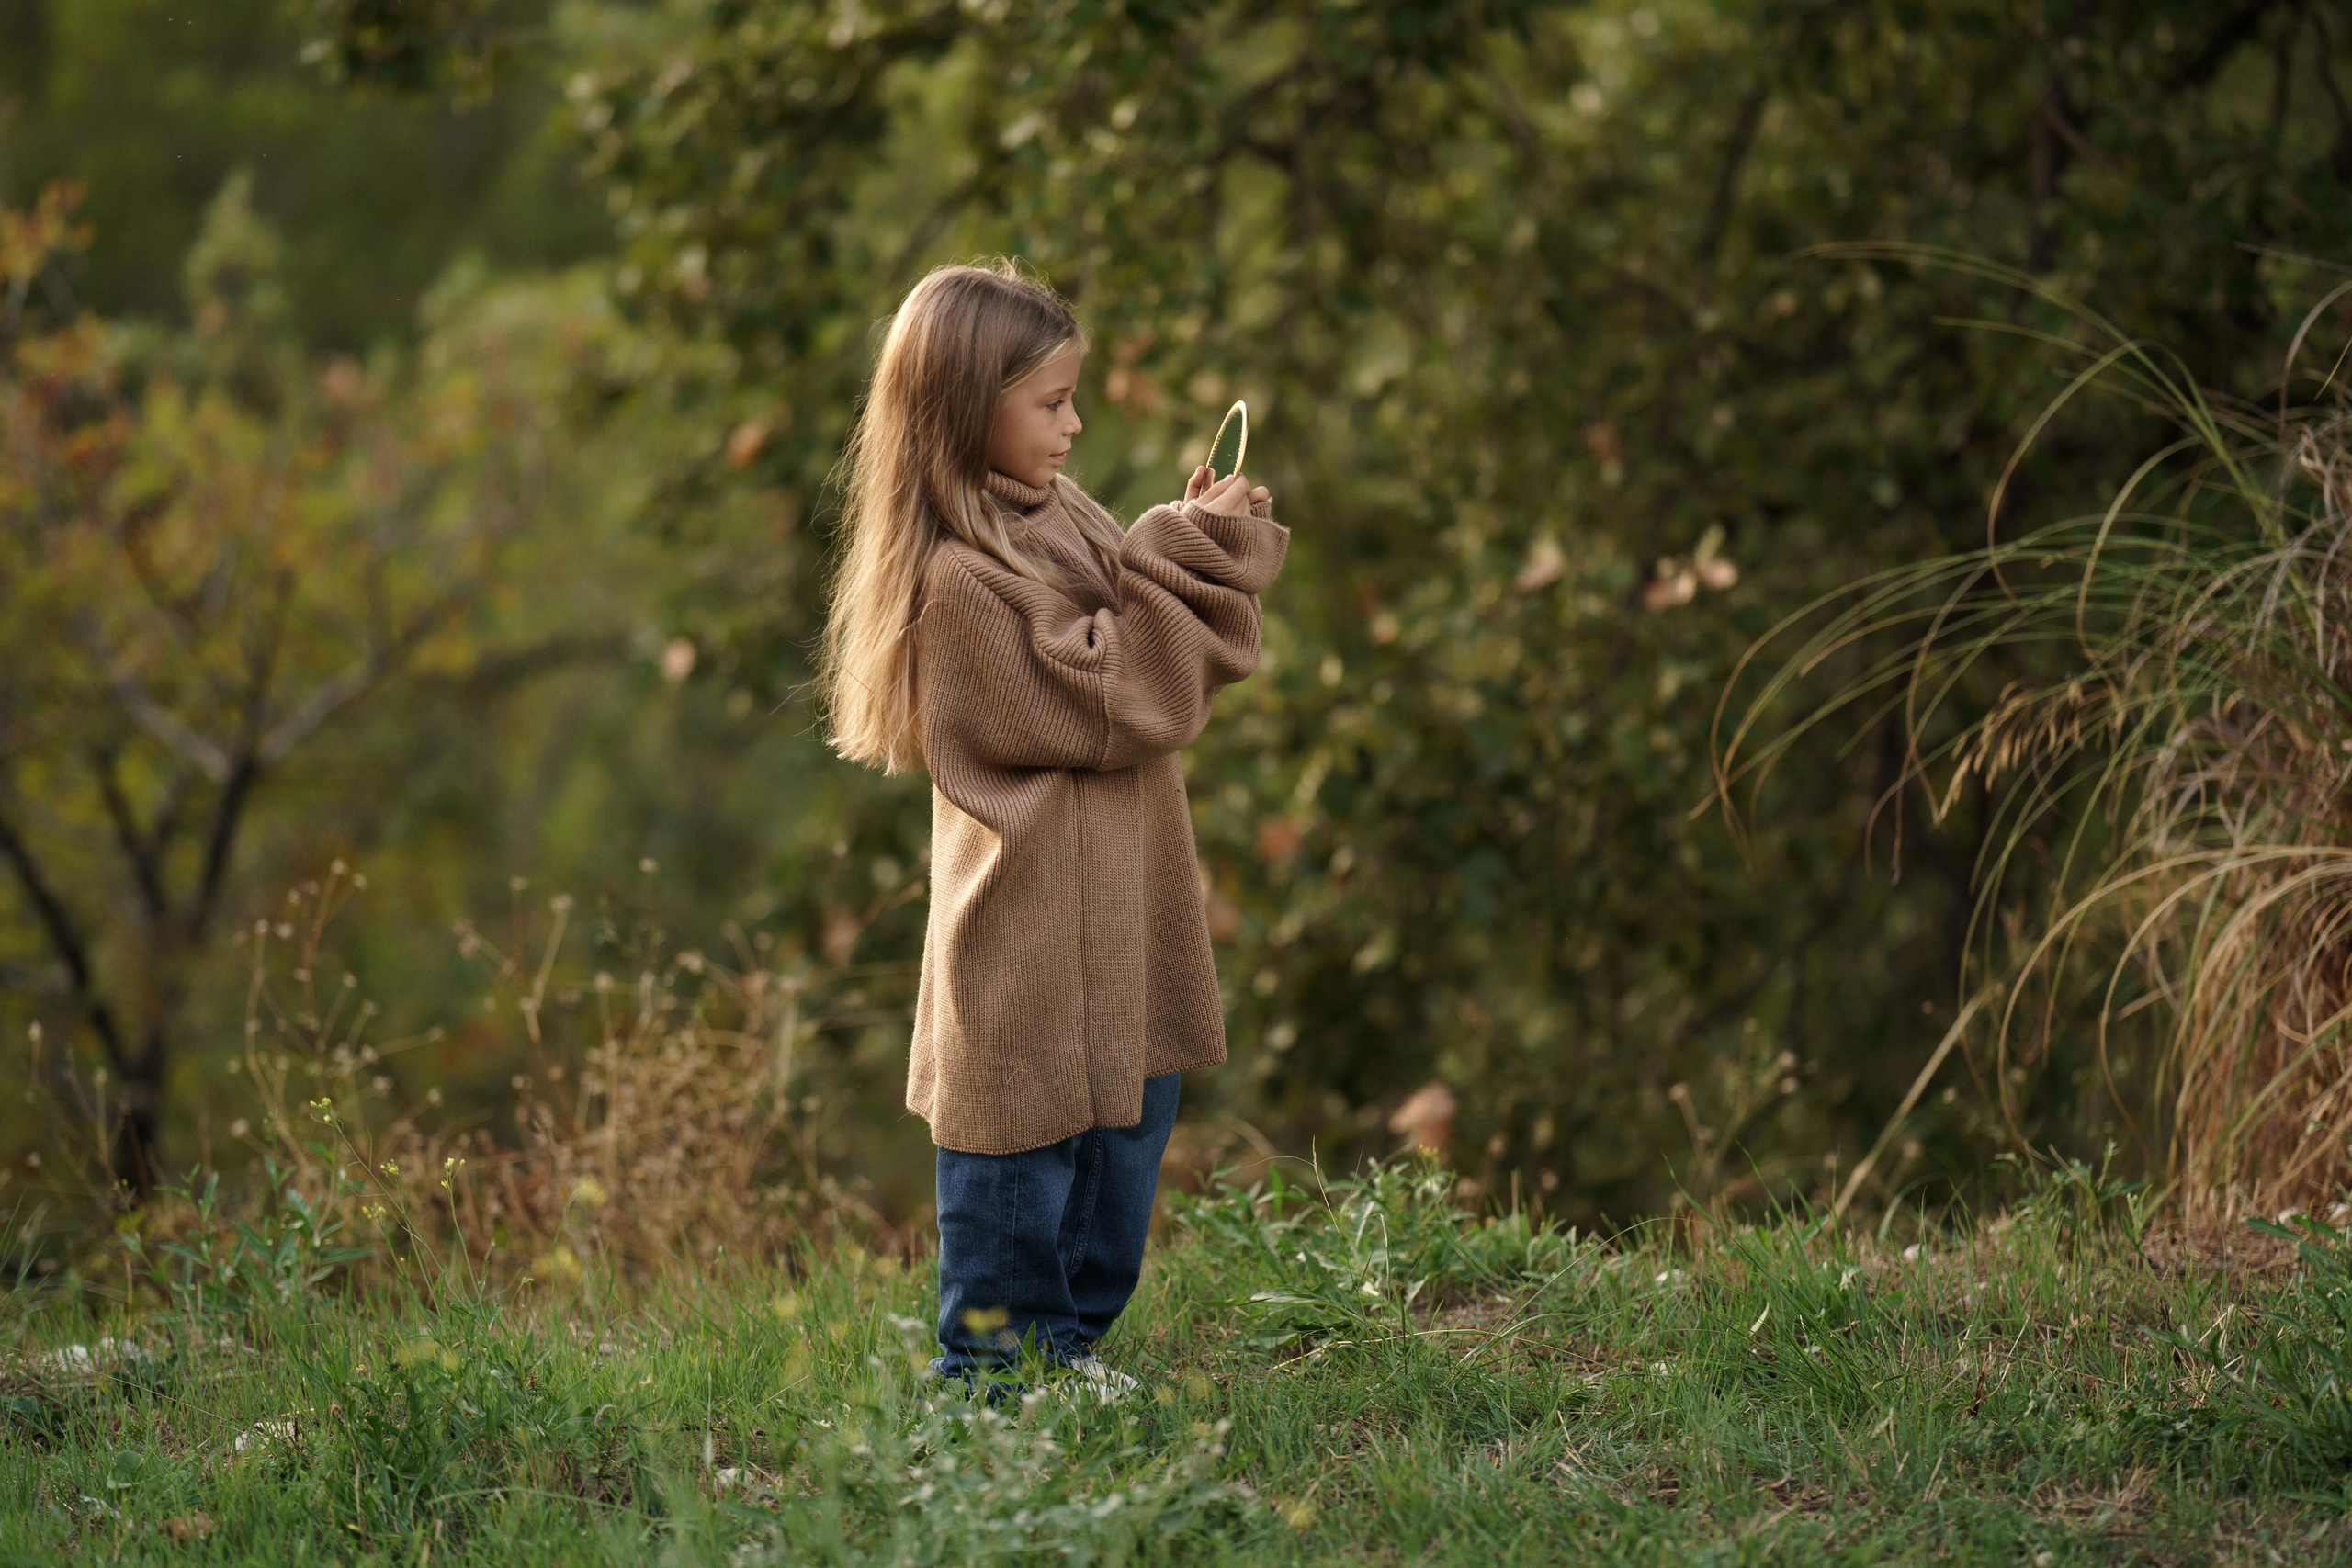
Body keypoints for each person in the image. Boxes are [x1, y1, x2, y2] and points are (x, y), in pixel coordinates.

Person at [819, 259, 1285, 1401]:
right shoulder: (956, 582)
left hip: (1121, 900)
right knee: (1019, 1144)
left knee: (1124, 1124)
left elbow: (1134, 610)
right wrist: (1180, 553)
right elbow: (1116, 695)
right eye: (1051, 402)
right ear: (964, 408)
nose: (1075, 426)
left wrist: (1187, 537)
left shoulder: (1052, 510)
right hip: (1028, 918)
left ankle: (1063, 1356)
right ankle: (986, 1379)